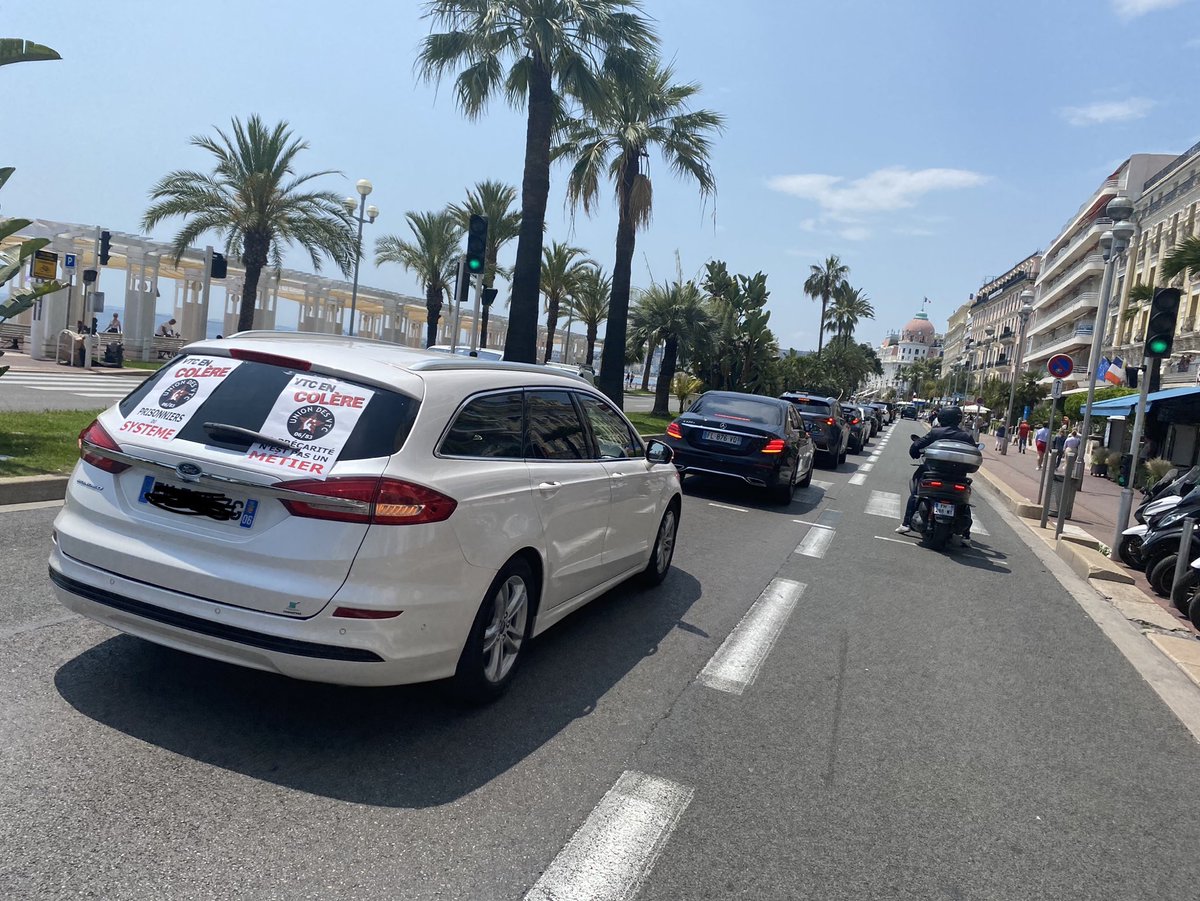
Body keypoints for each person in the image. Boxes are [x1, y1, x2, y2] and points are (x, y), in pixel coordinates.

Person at [895, 405, 977, 543]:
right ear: (959, 419)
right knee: (964, 501)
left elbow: (916, 446)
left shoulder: (936, 432)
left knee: (916, 492)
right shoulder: (966, 436)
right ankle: (966, 536)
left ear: (942, 417)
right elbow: (974, 453)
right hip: (958, 477)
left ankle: (906, 523)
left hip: (933, 474)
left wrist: (915, 452)